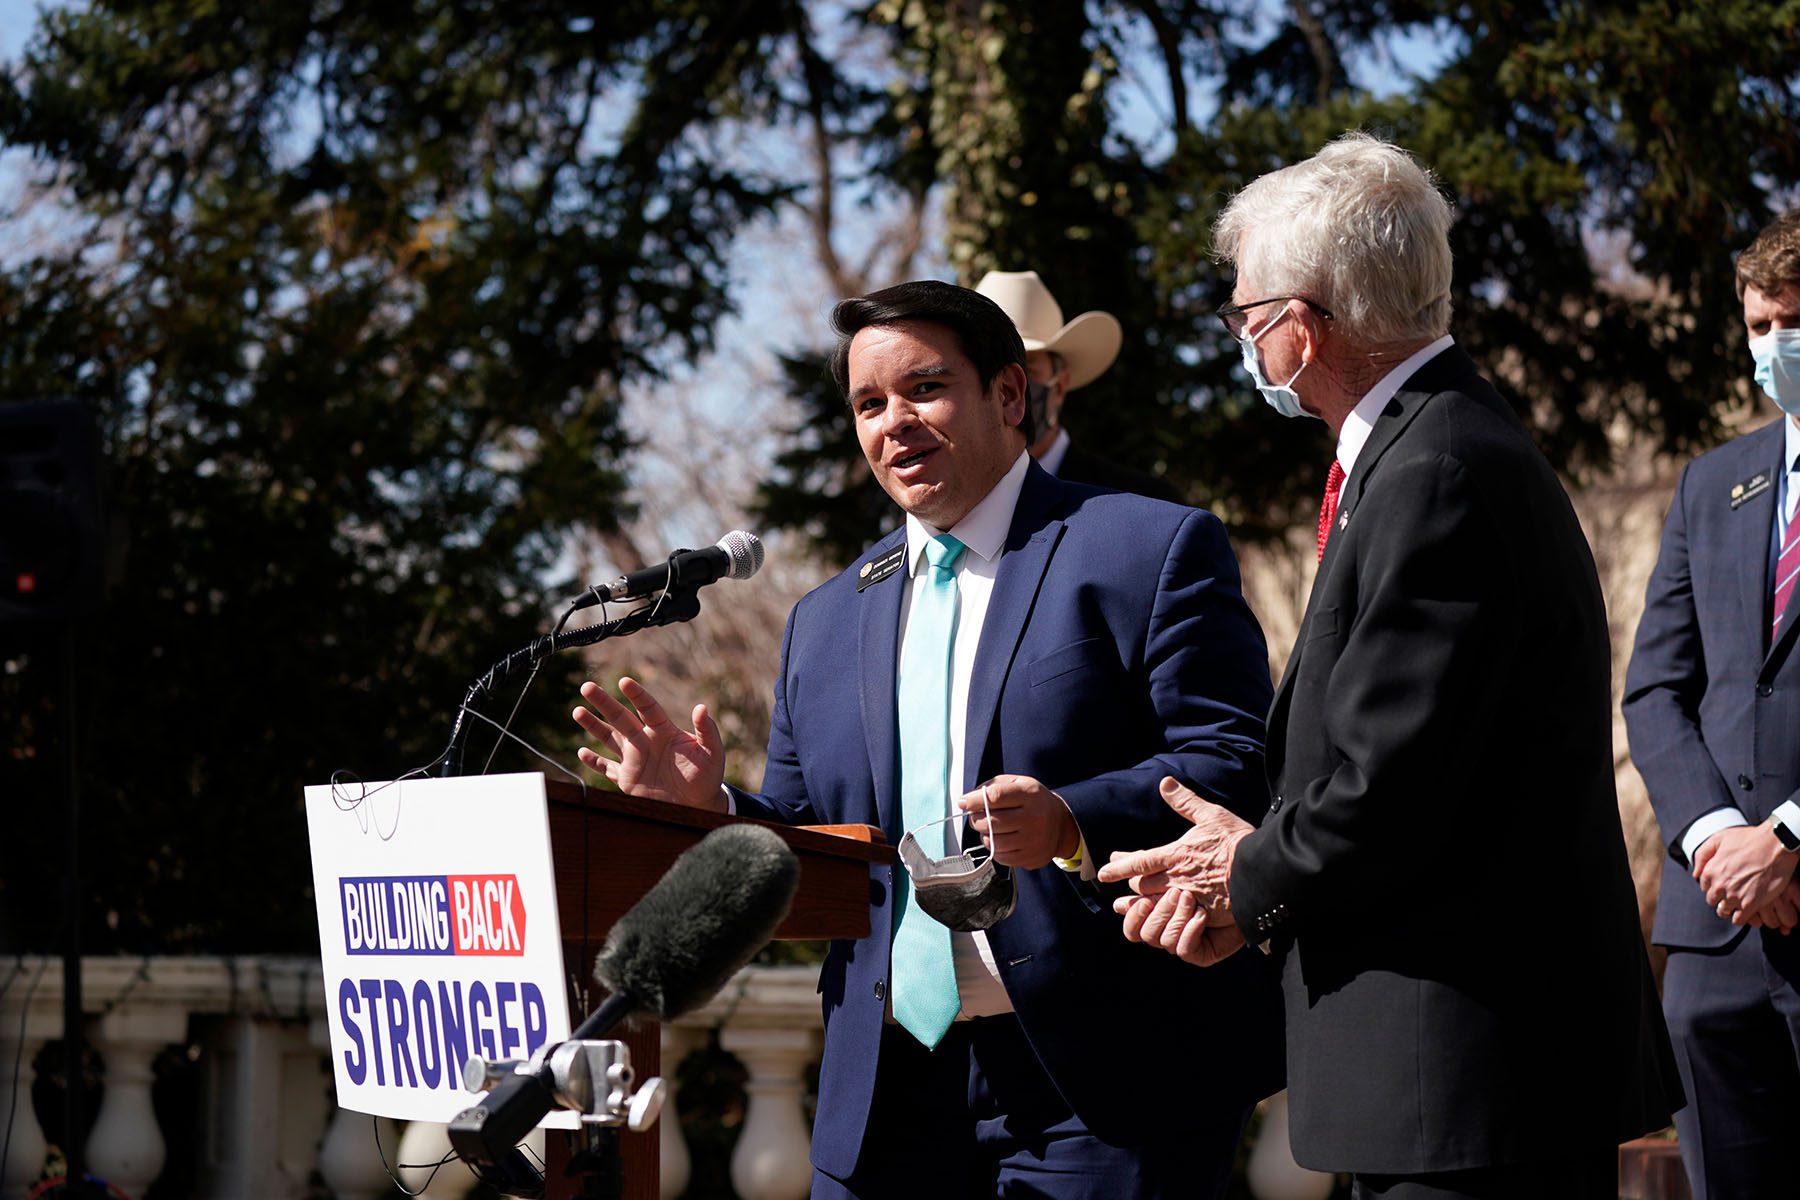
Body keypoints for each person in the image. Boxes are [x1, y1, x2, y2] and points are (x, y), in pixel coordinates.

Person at [572, 280, 1283, 1199]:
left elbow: (1233, 765)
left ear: (1010, 395)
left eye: (924, 389)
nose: (894, 422)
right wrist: (715, 812)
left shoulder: (1145, 547)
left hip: (1104, 1085)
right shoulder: (824, 620)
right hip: (886, 1091)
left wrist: (1070, 819)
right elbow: (808, 840)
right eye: (869, 403)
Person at [1099, 133, 1682, 1198]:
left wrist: (1245, 877)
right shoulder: (1425, 452)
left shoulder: (1439, 470)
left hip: (1469, 1074)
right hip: (1448, 1071)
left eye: (1242, 316)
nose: (1242, 342)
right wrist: (1260, 850)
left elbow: (1395, 783)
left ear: (1300, 327)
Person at [1622, 208, 1800, 1199]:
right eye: (1760, 324)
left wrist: (1789, 834)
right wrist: (1716, 836)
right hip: (1715, 930)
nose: (1777, 344)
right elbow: (1655, 685)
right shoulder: (1712, 485)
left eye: (1795, 320)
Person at [973, 269, 1182, 502]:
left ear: (1059, 386)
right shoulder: (946, 503)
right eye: (987, 371)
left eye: (1025, 371)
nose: (1007, 390)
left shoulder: (1142, 502)